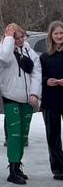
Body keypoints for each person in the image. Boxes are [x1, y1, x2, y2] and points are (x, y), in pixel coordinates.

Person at [0, 23, 41, 184]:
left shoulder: (29, 51)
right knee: (14, 134)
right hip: (11, 96)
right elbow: (3, 57)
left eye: (22, 37)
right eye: (17, 38)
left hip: (27, 98)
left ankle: (17, 165)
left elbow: (37, 73)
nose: (20, 40)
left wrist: (35, 93)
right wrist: (8, 38)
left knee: (23, 134)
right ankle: (12, 168)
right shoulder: (5, 50)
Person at [40, 20, 63, 181]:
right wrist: (47, 80)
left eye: (61, 33)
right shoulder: (45, 56)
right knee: (53, 136)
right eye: (56, 33)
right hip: (51, 100)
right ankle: (58, 168)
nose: (59, 36)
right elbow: (38, 77)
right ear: (51, 36)